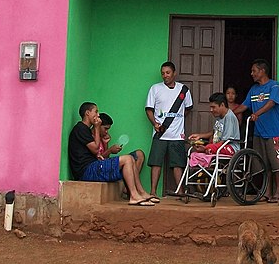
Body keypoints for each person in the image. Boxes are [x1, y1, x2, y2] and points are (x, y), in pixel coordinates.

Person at [68, 102, 156, 206]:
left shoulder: (85, 129)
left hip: (92, 167)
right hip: (85, 171)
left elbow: (94, 152)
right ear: (87, 113)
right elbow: (96, 149)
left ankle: (140, 193)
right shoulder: (80, 128)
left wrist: (100, 154)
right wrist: (97, 127)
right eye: (95, 112)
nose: (98, 115)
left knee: (131, 159)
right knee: (127, 159)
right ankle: (134, 196)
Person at [232, 59, 279, 204]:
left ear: (262, 71)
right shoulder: (253, 90)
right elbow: (244, 106)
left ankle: (278, 192)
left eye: (254, 71)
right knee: (264, 164)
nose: (252, 74)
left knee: (276, 164)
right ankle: (267, 192)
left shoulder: (274, 86)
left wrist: (258, 113)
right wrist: (227, 114)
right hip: (259, 132)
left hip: (274, 131)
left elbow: (271, 103)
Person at [145, 61, 193, 199]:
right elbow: (149, 110)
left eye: (168, 72)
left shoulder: (183, 90)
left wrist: (177, 120)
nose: (165, 75)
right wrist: (155, 123)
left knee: (178, 164)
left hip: (177, 135)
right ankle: (153, 192)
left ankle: (180, 191)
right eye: (163, 73)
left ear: (174, 73)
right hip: (160, 133)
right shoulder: (155, 88)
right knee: (156, 163)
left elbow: (188, 108)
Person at [98, 112, 146, 199]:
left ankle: (129, 188)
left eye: (108, 129)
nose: (106, 132)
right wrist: (110, 150)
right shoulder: (92, 139)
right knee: (128, 159)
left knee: (139, 154)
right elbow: (98, 162)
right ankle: (134, 193)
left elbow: (105, 159)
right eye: (105, 129)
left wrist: (106, 144)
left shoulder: (103, 138)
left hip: (106, 165)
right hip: (98, 169)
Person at [187, 92, 241, 168]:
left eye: (213, 107)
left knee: (209, 149)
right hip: (220, 146)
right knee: (196, 152)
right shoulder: (219, 117)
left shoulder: (229, 117)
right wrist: (199, 136)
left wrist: (207, 147)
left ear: (222, 105)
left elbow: (225, 140)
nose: (211, 110)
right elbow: (215, 132)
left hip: (230, 148)